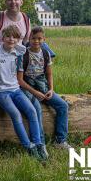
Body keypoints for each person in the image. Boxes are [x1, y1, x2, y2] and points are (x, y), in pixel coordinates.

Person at [0, 25, 48, 161]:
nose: (11, 39)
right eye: (8, 36)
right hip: (1, 92)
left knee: (32, 111)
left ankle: (38, 143)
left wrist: (18, 43)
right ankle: (29, 147)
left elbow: (23, 48)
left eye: (14, 37)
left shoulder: (18, 53)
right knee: (15, 114)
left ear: (18, 40)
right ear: (2, 38)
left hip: (16, 89)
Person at [18, 26, 71, 154]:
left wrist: (51, 89)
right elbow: (20, 80)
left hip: (43, 86)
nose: (36, 41)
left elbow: (49, 74)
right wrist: (34, 92)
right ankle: (40, 143)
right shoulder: (23, 54)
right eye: (33, 38)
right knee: (37, 111)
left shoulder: (46, 53)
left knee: (63, 106)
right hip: (27, 87)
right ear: (29, 39)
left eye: (40, 38)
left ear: (44, 39)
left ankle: (61, 140)